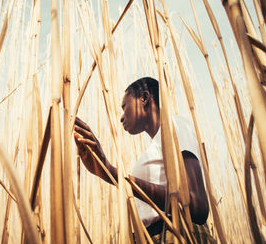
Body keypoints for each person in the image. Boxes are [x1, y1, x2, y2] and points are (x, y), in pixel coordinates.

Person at [73, 77, 216, 243]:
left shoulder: (175, 126)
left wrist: (110, 170)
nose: (121, 117)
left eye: (124, 106)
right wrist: (103, 170)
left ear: (145, 98)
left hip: (177, 235)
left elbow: (198, 206)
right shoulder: (155, 146)